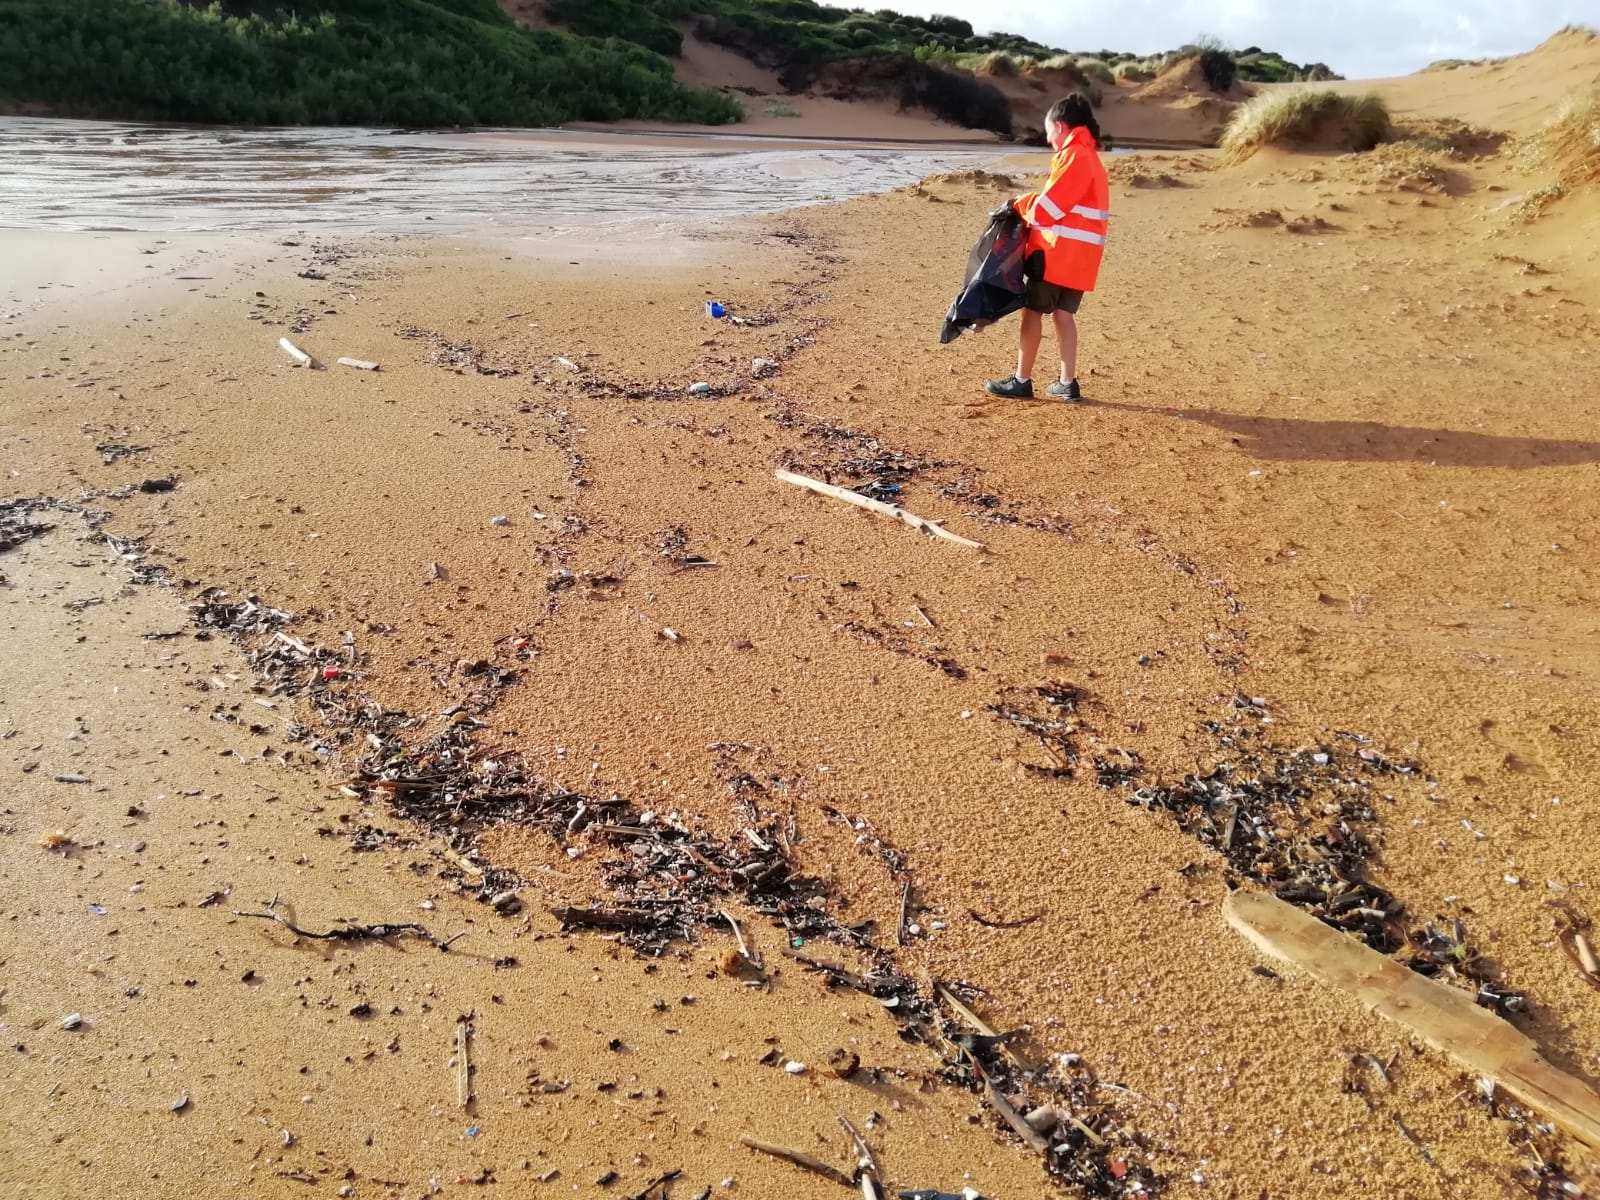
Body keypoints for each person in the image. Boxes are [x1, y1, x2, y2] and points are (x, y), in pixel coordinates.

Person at [985, 94, 1109, 403]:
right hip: (1082, 259)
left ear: (1060, 126)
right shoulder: (1092, 158)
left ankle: (1021, 380)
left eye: (1048, 130)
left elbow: (1047, 211)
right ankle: (1067, 383)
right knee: (1064, 315)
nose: (1048, 138)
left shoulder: (1074, 156)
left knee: (1033, 312)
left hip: (1056, 255)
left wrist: (1018, 202)